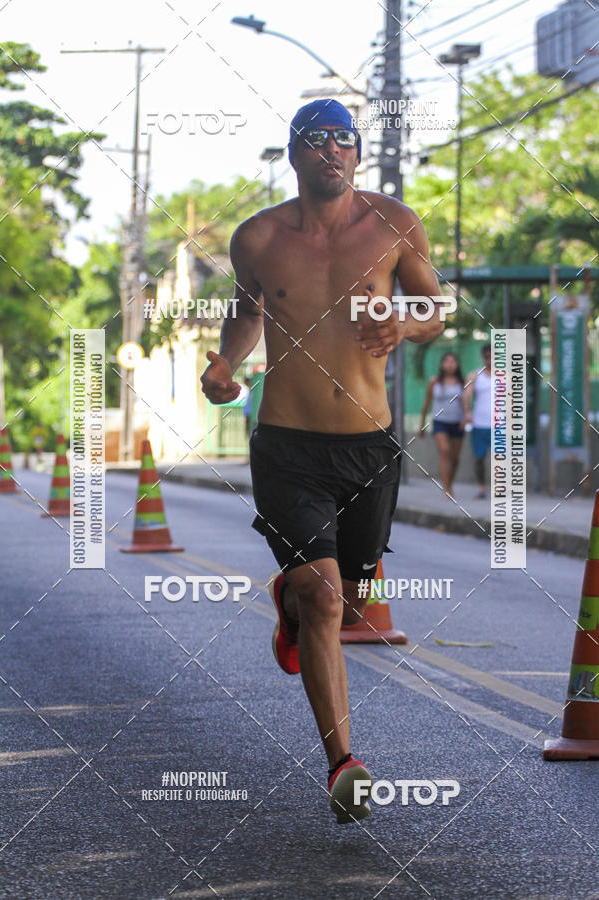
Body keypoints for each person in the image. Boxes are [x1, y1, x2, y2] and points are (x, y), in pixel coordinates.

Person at [200, 99, 445, 824]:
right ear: (295, 154)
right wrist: (226, 365)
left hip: (369, 444)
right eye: (316, 140)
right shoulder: (257, 237)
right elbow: (248, 312)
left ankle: (290, 601)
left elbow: (437, 308)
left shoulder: (395, 224)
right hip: (288, 443)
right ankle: (343, 763)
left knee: (354, 594)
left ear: (357, 154)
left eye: (343, 139)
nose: (331, 150)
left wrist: (405, 324)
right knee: (326, 598)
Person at [419, 351, 465, 498]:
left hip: (457, 422)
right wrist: (422, 425)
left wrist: (466, 417)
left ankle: (449, 483)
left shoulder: (462, 382)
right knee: (444, 451)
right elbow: (426, 403)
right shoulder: (434, 382)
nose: (450, 364)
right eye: (447, 361)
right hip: (440, 422)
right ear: (442, 364)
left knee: (455, 458)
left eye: (453, 361)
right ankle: (446, 488)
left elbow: (466, 403)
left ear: (457, 364)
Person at [462, 343, 493, 498]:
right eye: (487, 357)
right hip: (480, 424)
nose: (490, 360)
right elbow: (466, 396)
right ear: (483, 357)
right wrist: (467, 412)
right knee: (479, 458)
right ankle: (482, 488)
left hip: (499, 425)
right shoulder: (474, 375)